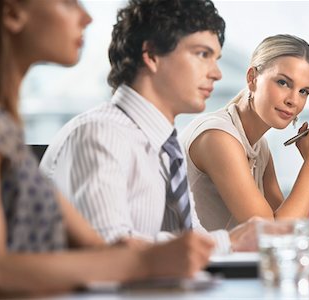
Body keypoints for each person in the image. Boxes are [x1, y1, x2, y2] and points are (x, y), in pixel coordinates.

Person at [0, 0, 214, 298]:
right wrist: (141, 262)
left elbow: (102, 247)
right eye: (69, 3)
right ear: (12, 13)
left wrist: (139, 255)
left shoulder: (2, 127)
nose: (86, 17)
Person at [40, 0, 259, 254]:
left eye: (216, 58)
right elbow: (109, 251)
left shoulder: (166, 144)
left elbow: (189, 234)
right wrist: (228, 242)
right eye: (202, 54)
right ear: (152, 55)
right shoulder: (102, 133)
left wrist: (240, 242)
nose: (217, 73)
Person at [179, 34, 309, 231]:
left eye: (304, 91)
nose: (293, 100)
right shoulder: (218, 137)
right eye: (283, 82)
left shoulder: (259, 148)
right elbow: (273, 236)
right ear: (252, 78)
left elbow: (301, 231)